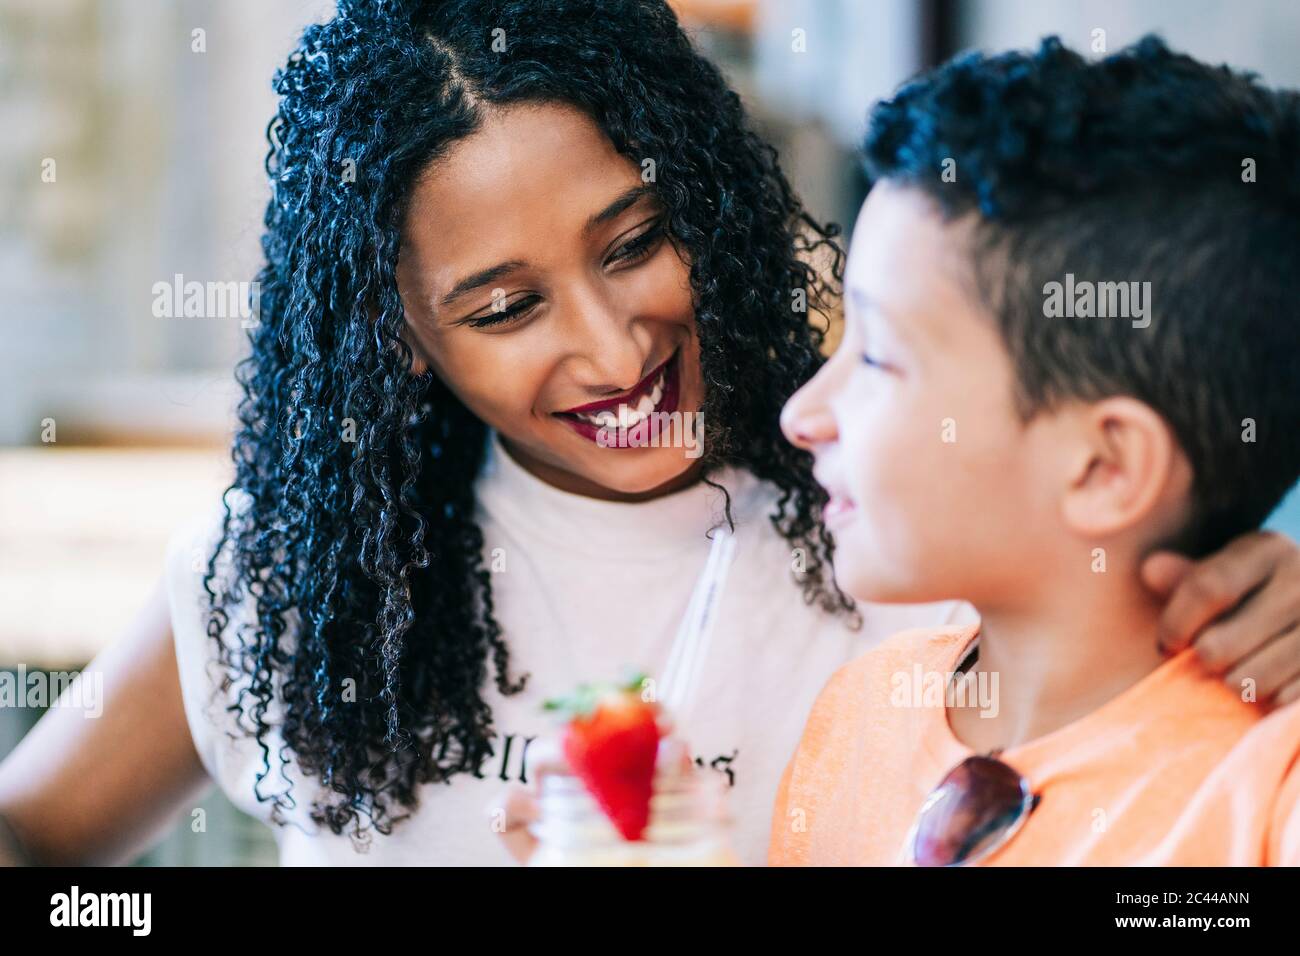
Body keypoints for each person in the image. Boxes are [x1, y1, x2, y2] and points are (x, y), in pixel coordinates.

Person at [2, 4, 1298, 869]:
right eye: (504, 306)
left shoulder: (908, 521)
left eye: (634, 243)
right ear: (393, 330)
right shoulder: (291, 578)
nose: (617, 352)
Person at [771, 35, 1300, 866]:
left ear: (1103, 467)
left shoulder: (1269, 791)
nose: (803, 413)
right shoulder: (861, 712)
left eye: (876, 356)